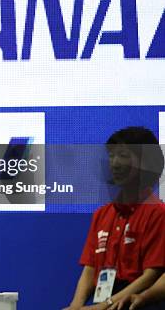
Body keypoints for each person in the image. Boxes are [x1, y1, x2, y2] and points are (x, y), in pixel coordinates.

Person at [64, 127, 165, 310]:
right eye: (111, 155)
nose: (115, 163)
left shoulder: (158, 213)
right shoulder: (101, 214)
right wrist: (75, 305)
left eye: (123, 155)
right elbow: (90, 269)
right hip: (102, 300)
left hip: (138, 303)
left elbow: (153, 274)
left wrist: (105, 305)